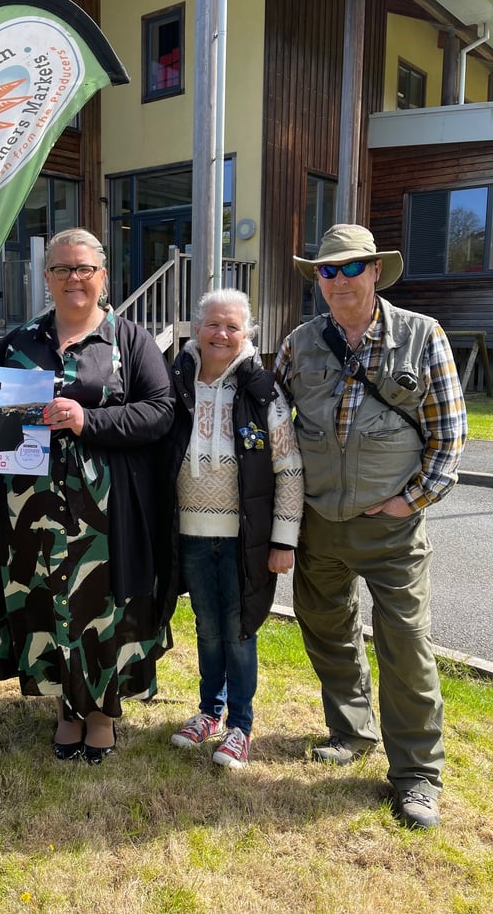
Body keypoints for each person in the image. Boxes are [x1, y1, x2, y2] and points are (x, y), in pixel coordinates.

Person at [274, 223, 467, 829]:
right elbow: (274, 428)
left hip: (391, 532)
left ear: (376, 271)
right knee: (326, 630)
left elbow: (450, 434)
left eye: (351, 268)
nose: (338, 281)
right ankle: (350, 731)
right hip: (318, 525)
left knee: (405, 648)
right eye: (326, 271)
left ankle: (416, 777)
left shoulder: (421, 336)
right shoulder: (298, 344)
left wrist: (410, 502)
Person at [0, 228, 174, 764]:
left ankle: (103, 714)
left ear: (103, 276)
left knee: (102, 606)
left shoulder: (130, 341)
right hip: (28, 512)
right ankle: (66, 707)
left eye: (84, 268)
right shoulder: (17, 344)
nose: (73, 279)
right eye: (62, 269)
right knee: (44, 599)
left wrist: (91, 420)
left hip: (108, 514)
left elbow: (161, 411)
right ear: (47, 278)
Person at [163, 289, 303, 768]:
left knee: (240, 630)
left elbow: (289, 469)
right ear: (196, 328)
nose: (221, 334)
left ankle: (240, 725)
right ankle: (209, 711)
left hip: (246, 538)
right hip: (191, 535)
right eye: (213, 324)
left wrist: (284, 538)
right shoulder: (175, 383)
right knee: (207, 627)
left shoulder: (264, 392)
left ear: (247, 335)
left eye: (232, 327)